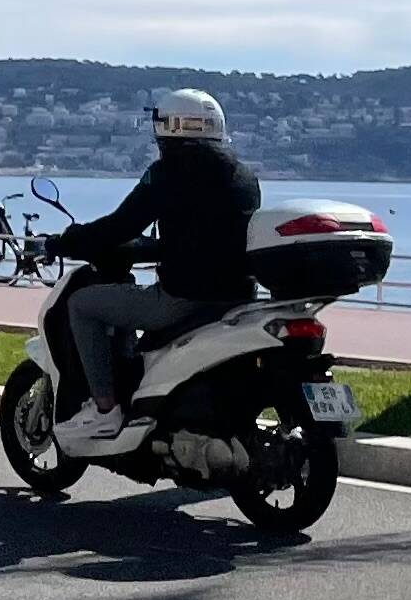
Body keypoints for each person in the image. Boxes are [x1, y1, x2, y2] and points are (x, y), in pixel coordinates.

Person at [45, 89, 262, 450]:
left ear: (168, 130)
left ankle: (104, 409)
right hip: (236, 298)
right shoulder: (243, 176)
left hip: (182, 299)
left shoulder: (167, 173)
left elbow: (121, 225)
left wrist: (68, 241)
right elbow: (210, 235)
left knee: (82, 304)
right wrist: (158, 248)